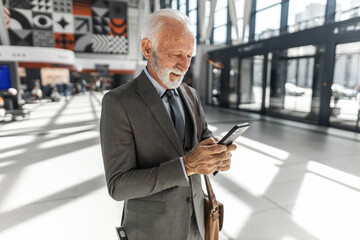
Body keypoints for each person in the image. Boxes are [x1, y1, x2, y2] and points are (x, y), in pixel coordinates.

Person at [100, 9, 236, 240]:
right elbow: (119, 186)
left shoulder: (190, 94)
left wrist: (216, 155)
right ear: (147, 48)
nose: (184, 66)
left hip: (196, 226)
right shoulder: (118, 102)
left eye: (189, 55)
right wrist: (186, 167)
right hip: (152, 231)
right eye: (175, 54)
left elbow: (203, 137)